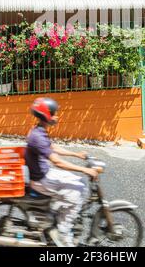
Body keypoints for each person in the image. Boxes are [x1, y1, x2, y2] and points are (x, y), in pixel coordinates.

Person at [25, 97, 98, 247]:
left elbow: (53, 147)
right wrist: (85, 169)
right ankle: (63, 233)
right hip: (42, 179)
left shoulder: (39, 130)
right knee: (78, 190)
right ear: (46, 116)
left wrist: (76, 154)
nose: (57, 116)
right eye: (54, 114)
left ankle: (57, 214)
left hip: (44, 174)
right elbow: (57, 161)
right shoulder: (38, 136)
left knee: (79, 182)